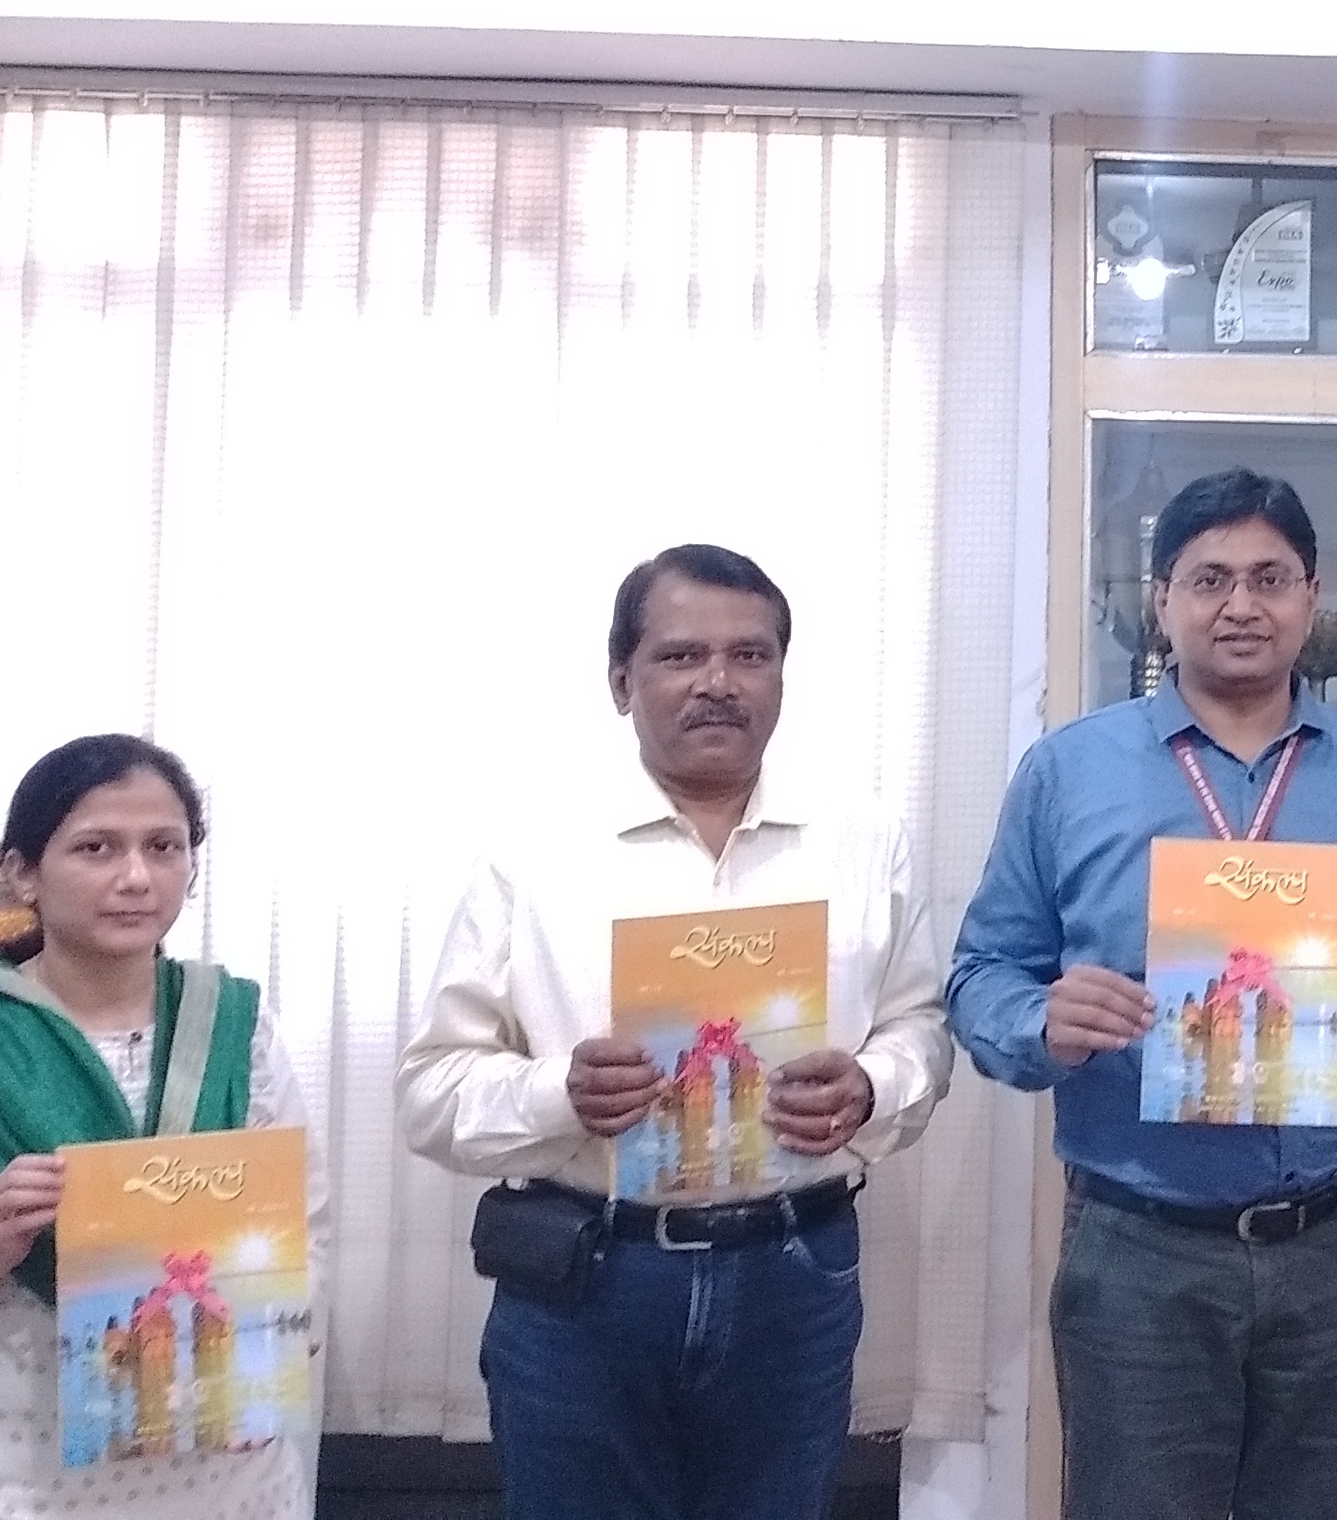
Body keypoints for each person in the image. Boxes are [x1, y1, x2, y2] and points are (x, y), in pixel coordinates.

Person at [948, 468, 1337, 1520]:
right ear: (1162, 601)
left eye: (1269, 578)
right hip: (1140, 1249)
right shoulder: (1067, 773)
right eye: (1209, 580)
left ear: (1311, 597)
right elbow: (982, 978)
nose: (1241, 605)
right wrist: (1039, 1020)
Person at [399, 544, 952, 1520]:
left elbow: (921, 1029)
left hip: (795, 1269)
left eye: (750, 656)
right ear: (622, 681)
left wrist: (873, 1086)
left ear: (782, 675)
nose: (718, 682)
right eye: (681, 656)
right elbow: (431, 1092)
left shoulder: (864, 842)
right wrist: (558, 1093)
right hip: (589, 1277)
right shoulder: (533, 853)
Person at [0, 733, 327, 1520]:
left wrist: (266, 1337)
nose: (136, 877)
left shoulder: (238, 1035)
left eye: (164, 847)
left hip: (233, 1493)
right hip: (3, 1491)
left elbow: (304, 1243)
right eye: (96, 848)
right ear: (23, 873)